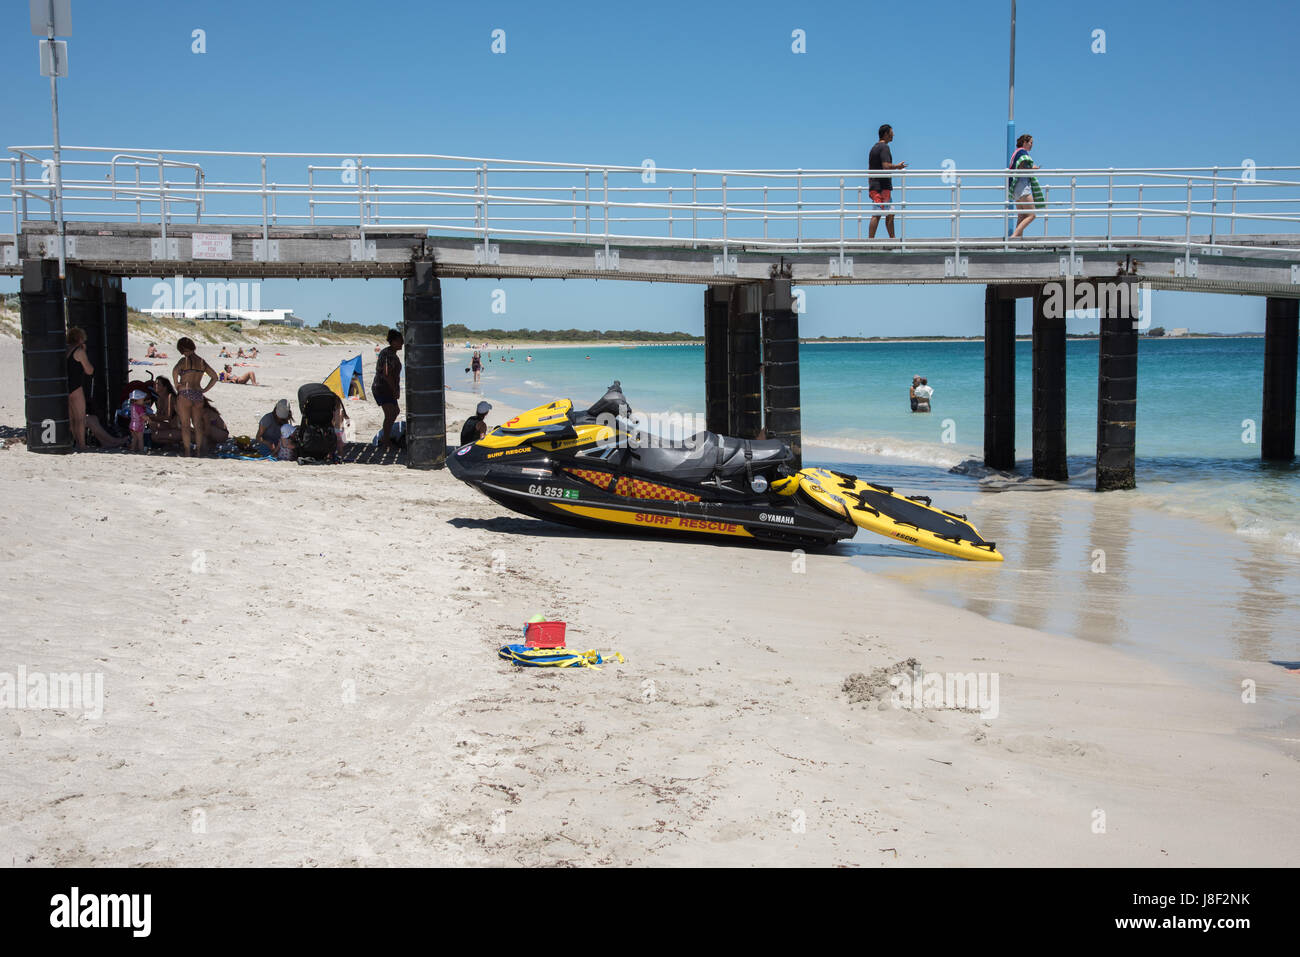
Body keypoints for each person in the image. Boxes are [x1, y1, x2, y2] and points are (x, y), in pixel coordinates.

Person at [65, 328, 126, 450]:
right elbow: (89, 370)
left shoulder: (66, 349)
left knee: (72, 418)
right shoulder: (79, 351)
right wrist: (85, 352)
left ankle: (76, 442)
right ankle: (82, 445)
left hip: (65, 387)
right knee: (80, 418)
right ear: (80, 339)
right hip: (76, 387)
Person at [172, 338, 218, 457]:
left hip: (185, 392)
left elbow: (175, 371)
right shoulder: (201, 361)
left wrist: (176, 383)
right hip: (198, 394)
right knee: (197, 425)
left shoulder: (184, 360)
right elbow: (214, 377)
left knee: (185, 425)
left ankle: (187, 451)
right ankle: (198, 451)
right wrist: (205, 389)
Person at [868, 124, 907, 240]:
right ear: (886, 134)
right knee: (878, 214)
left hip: (877, 185)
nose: (893, 134)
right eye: (891, 132)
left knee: (889, 213)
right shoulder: (884, 147)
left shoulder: (874, 147)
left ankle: (892, 238)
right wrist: (898, 167)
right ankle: (870, 241)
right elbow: (885, 166)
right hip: (881, 187)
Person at [373, 328, 404, 448]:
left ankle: (386, 437)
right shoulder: (387, 354)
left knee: (395, 411)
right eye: (400, 341)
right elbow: (386, 374)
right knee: (390, 413)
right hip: (383, 388)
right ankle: (385, 440)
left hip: (388, 388)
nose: (402, 343)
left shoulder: (391, 353)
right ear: (394, 341)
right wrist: (394, 389)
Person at [1009, 133, 1044, 239]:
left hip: (1015, 190)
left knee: (1022, 216)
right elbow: (1022, 167)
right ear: (1024, 143)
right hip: (1022, 187)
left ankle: (1017, 241)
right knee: (1032, 215)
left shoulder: (1016, 153)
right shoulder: (1023, 153)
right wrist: (1032, 169)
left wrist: (1031, 167)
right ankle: (1014, 237)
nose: (1032, 145)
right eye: (1031, 143)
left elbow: (1020, 165)